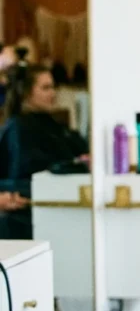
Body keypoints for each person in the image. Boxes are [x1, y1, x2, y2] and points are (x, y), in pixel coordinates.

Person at [0, 64, 88, 239]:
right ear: (26, 93)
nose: (53, 93)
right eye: (46, 88)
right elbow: (28, 173)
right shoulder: (19, 129)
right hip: (27, 218)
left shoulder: (53, 126)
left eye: (53, 87)